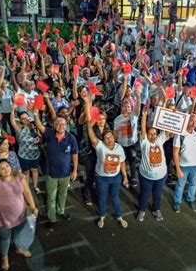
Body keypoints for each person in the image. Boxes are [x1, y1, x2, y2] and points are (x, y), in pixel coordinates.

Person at [0, 119, 38, 271]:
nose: (5, 168)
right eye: (1, 167)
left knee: (18, 233)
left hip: (20, 214)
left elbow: (27, 192)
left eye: (7, 166)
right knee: (5, 238)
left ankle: (19, 248)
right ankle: (5, 257)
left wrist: (32, 206)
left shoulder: (20, 177)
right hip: (2, 218)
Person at [85, 97, 128, 229]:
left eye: (111, 137)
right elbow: (91, 135)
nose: (109, 138)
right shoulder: (99, 146)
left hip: (115, 178)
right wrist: (89, 124)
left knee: (115, 198)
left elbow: (122, 162)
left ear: (114, 138)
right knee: (102, 198)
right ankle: (102, 216)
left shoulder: (119, 148)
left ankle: (119, 216)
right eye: (106, 137)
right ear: (102, 140)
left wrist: (125, 176)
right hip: (101, 178)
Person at [34, 110, 78, 228]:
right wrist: (35, 113)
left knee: (63, 194)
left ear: (67, 125)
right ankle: (51, 218)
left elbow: (74, 154)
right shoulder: (49, 134)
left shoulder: (71, 138)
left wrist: (74, 170)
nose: (61, 126)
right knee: (51, 196)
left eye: (63, 124)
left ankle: (61, 211)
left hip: (65, 173)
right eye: (58, 124)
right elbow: (39, 125)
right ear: (54, 125)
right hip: (51, 173)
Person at [137, 109, 173, 222]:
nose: (152, 136)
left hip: (161, 176)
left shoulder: (159, 140)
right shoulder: (144, 143)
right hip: (146, 177)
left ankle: (156, 209)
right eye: (150, 133)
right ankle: (141, 210)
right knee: (144, 194)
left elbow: (167, 130)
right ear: (146, 135)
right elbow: (142, 129)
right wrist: (144, 116)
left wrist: (170, 115)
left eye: (154, 133)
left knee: (157, 194)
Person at [9, 109, 41, 194]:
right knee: (25, 172)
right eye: (23, 118)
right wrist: (13, 110)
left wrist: (39, 139)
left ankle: (35, 186)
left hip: (35, 154)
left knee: (35, 170)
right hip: (23, 155)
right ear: (20, 120)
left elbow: (40, 136)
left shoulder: (34, 126)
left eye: (27, 117)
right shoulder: (19, 128)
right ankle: (26, 188)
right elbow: (12, 121)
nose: (26, 119)